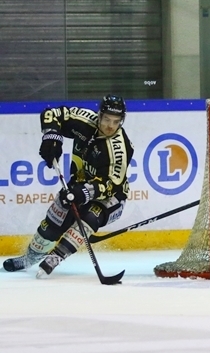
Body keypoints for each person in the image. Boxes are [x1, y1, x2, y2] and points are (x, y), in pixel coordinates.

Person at [3, 95, 133, 278]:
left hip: (111, 198)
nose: (110, 126)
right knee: (54, 221)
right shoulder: (85, 120)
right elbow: (52, 114)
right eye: (106, 119)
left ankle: (54, 258)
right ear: (99, 115)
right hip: (77, 184)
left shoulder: (120, 148)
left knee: (90, 217)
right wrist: (52, 137)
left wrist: (84, 192)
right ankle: (28, 259)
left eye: (115, 121)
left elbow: (111, 184)